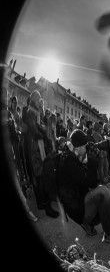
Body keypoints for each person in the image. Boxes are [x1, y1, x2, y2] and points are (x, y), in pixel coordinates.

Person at [57, 129, 110, 243]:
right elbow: (91, 183)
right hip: (77, 209)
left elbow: (85, 183)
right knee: (103, 191)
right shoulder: (69, 161)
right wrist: (91, 161)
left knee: (108, 207)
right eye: (85, 147)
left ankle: (90, 225)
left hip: (78, 204)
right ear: (78, 147)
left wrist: (84, 162)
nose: (86, 149)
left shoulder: (69, 156)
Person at [23, 90, 59, 218]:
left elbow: (39, 127)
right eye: (38, 99)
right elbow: (34, 129)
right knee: (38, 176)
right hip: (34, 149)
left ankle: (44, 202)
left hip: (37, 148)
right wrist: (43, 132)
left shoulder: (36, 112)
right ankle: (43, 203)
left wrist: (43, 130)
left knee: (40, 175)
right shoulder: (30, 112)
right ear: (34, 99)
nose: (40, 102)